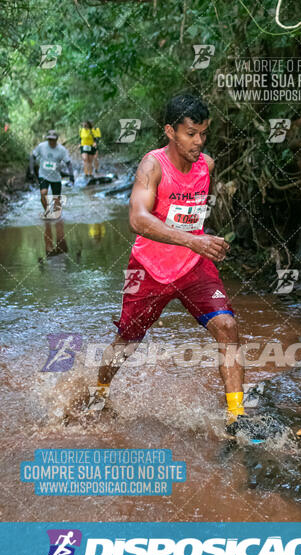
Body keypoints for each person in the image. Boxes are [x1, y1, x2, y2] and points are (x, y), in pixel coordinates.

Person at [93, 94, 248, 433]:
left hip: (194, 265)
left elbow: (194, 212)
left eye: (203, 133)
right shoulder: (152, 165)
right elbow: (137, 219)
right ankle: (98, 393)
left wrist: (206, 242)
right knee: (128, 342)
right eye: (191, 133)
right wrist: (195, 239)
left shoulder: (206, 165)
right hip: (148, 267)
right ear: (169, 131)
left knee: (228, 327)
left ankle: (237, 417)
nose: (198, 141)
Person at [29, 130, 74, 217]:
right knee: (43, 193)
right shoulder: (41, 146)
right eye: (49, 139)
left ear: (56, 139)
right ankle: (47, 212)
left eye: (53, 140)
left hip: (56, 177)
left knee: (56, 200)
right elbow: (32, 157)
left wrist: (72, 177)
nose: (51, 142)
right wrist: (31, 171)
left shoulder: (62, 150)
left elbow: (69, 163)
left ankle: (58, 217)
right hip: (43, 174)